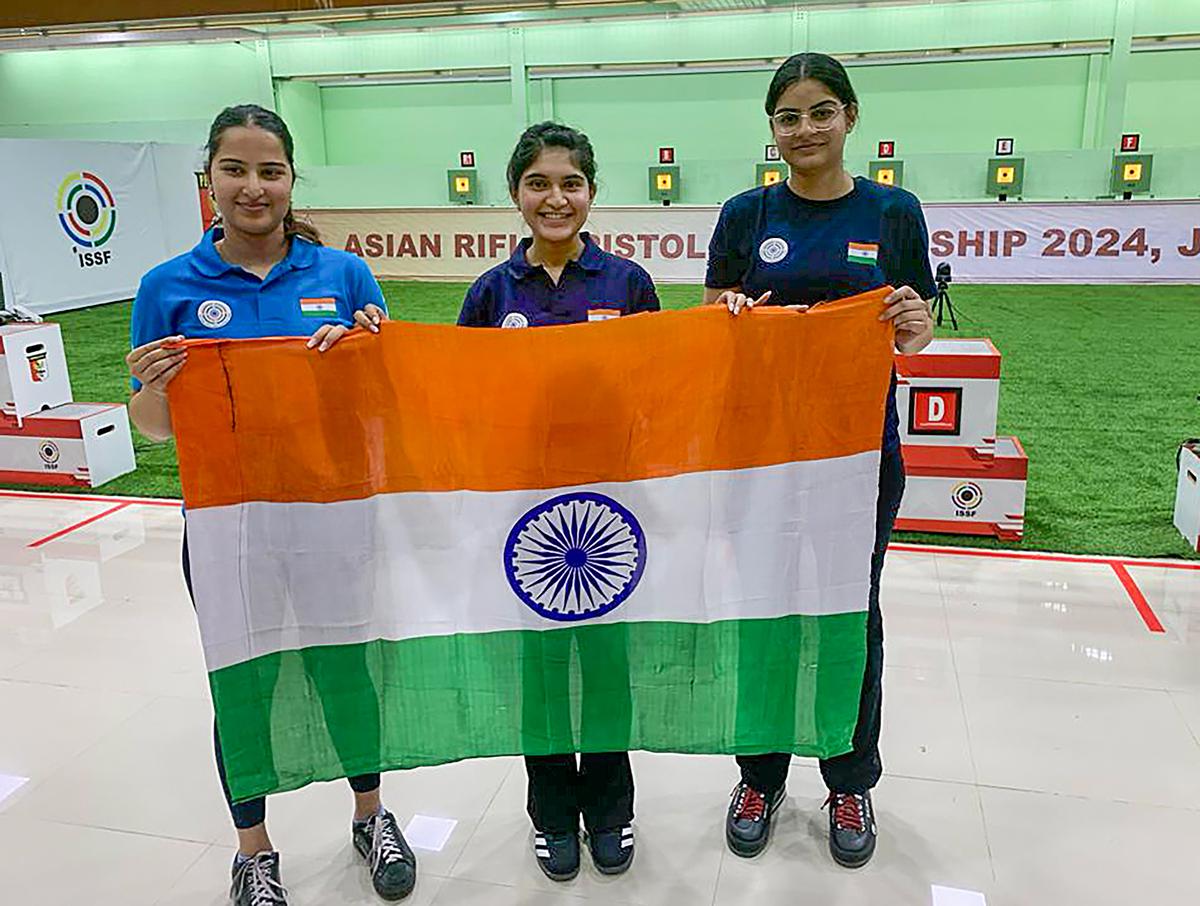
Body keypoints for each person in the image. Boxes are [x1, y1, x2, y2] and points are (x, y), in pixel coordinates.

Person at [124, 104, 414, 906]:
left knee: (345, 668)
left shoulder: (343, 276)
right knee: (241, 679)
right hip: (227, 522)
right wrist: (156, 384)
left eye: (271, 170)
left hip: (331, 513)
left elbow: (384, 405)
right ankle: (254, 850)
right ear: (208, 180)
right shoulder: (167, 286)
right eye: (237, 169)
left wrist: (364, 355)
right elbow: (153, 432)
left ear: (291, 180)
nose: (255, 187)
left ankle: (370, 814)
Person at [704, 53, 935, 869]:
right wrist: (731, 314)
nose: (806, 130)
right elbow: (715, 325)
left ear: (851, 118)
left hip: (859, 455)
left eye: (822, 112)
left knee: (849, 614)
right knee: (765, 609)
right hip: (761, 454)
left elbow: (916, 333)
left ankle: (849, 776)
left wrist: (910, 322)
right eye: (789, 117)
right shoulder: (743, 214)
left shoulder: (894, 211)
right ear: (772, 129)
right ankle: (760, 774)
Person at [457, 121, 660, 882]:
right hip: (523, 517)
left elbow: (658, 394)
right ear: (515, 194)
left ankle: (610, 809)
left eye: (570, 183)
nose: (555, 198)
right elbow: (463, 401)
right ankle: (551, 813)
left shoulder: (628, 284)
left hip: (610, 516)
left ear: (592, 193)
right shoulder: (490, 294)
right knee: (541, 669)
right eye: (538, 183)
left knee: (607, 665)